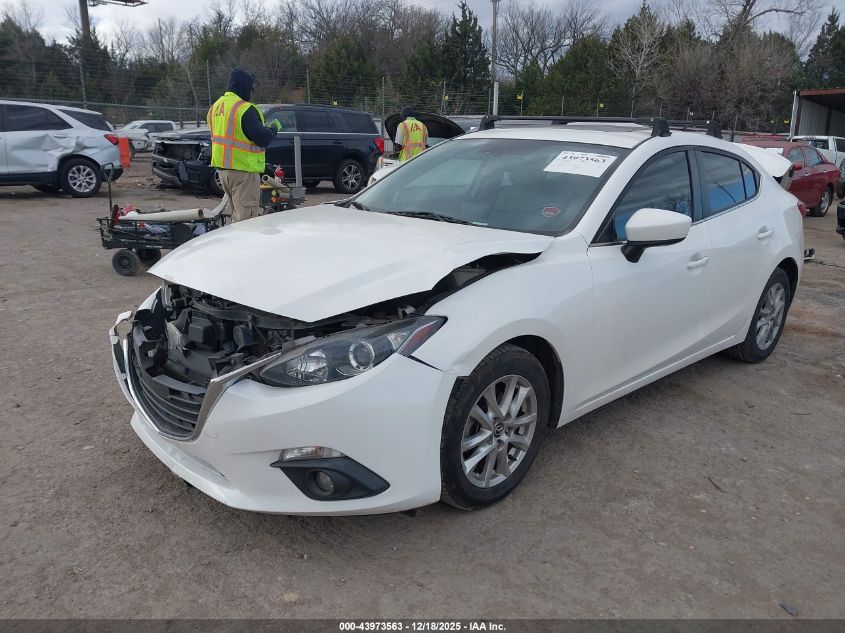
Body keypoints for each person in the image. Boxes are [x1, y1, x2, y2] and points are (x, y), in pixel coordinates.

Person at [207, 67, 282, 222]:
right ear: (244, 86)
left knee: (235, 218)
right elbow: (263, 138)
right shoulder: (244, 108)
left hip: (223, 172)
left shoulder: (215, 107)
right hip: (243, 173)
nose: (252, 93)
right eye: (251, 89)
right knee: (247, 222)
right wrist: (274, 128)